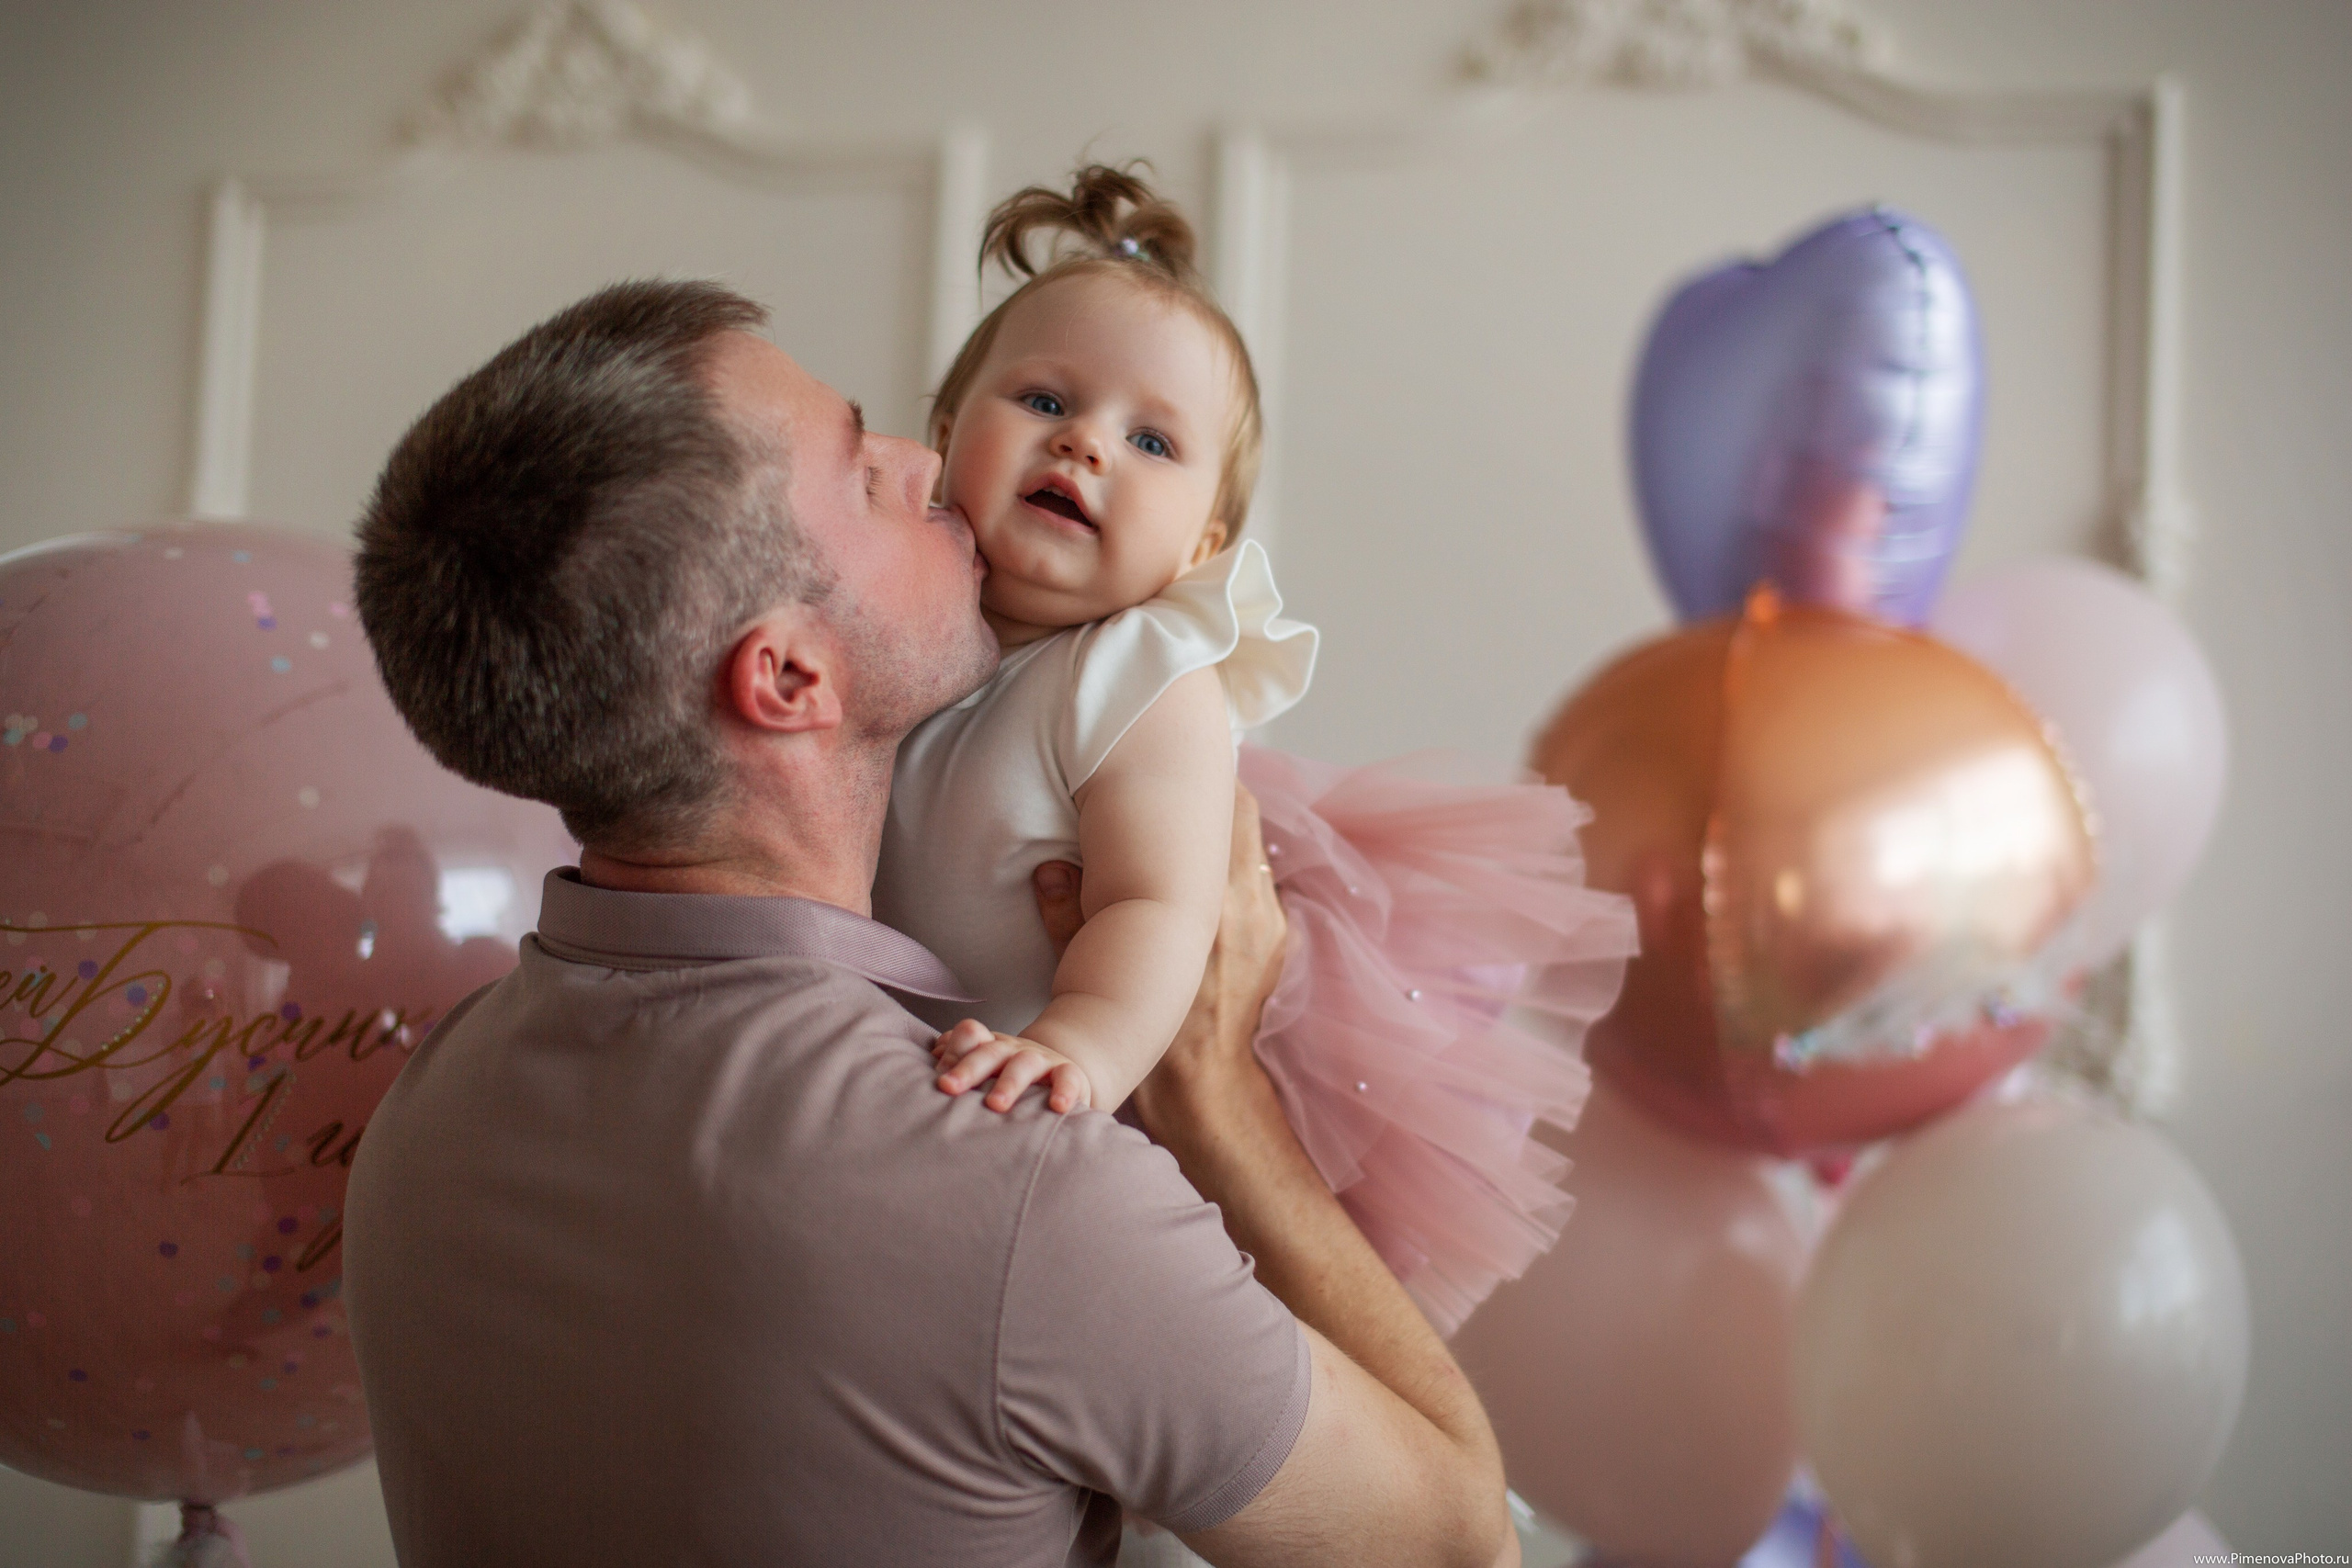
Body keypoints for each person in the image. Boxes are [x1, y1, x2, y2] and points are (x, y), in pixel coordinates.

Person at [343, 278, 1521, 1565]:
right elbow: (1460, 1548)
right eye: (861, 471)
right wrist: (1214, 1087)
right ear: (788, 675)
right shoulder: (1007, 1176)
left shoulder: (423, 1113)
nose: (925, 459)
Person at [876, 166, 1636, 1334]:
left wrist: (1077, 1050)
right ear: (943, 433)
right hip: (906, 1088)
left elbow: (1153, 911)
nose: (1085, 445)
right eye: (1042, 401)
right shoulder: (899, 636)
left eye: (1149, 440)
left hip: (1076, 1103)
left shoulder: (1139, 677)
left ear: (1201, 546)